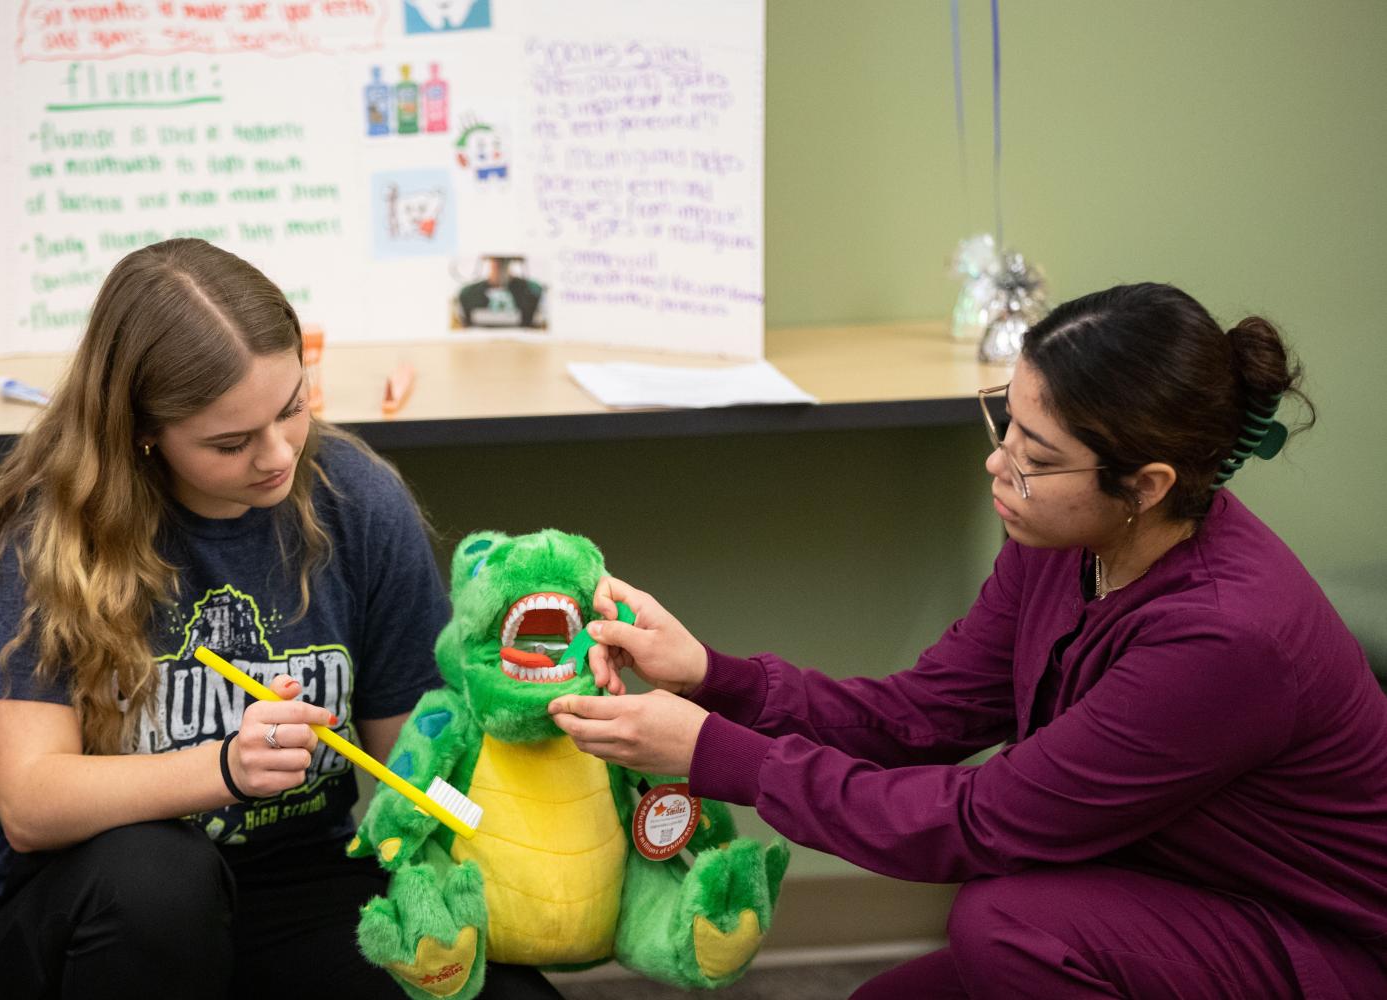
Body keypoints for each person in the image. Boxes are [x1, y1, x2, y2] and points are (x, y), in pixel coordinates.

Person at [549, 283, 1387, 999]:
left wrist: (714, 754)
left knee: (1007, 922)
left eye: (1034, 456)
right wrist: (710, 675)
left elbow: (982, 824)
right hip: (1169, 890)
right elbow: (918, 717)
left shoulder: (1222, 638)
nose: (998, 466)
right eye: (1005, 425)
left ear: (1146, 484)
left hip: (1318, 945)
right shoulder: (1068, 543)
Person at [0, 238, 561, 999]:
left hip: (298, 883)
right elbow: (31, 804)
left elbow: (415, 760)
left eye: (292, 406)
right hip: (96, 901)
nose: (277, 454)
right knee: (162, 881)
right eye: (230, 442)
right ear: (143, 433)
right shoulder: (57, 532)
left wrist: (545, 742)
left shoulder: (355, 498)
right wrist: (223, 769)